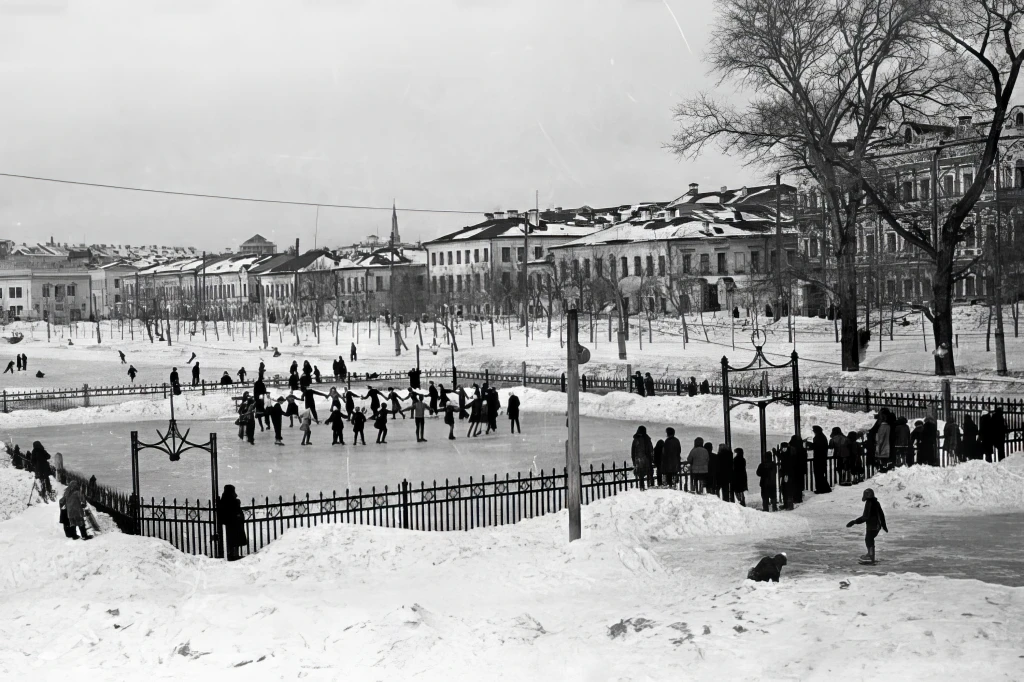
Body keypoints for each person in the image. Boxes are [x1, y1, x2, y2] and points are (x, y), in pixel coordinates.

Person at [847, 487, 888, 564]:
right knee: (869, 539)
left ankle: (871, 556)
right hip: (876, 525)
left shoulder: (869, 503)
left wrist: (854, 521)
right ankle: (870, 554)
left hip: (872, 526)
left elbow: (866, 517)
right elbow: (881, 515)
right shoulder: (876, 502)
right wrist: (883, 525)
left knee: (869, 539)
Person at [217, 484, 246, 561]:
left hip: (229, 525)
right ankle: (234, 554)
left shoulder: (224, 500)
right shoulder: (234, 501)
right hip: (235, 525)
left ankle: (230, 554)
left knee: (230, 541)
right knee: (235, 541)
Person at [631, 426, 654, 490]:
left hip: (639, 460)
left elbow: (633, 452)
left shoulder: (636, 440)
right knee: (649, 473)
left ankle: (642, 487)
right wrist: (651, 458)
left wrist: (634, 461)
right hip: (647, 459)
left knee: (641, 475)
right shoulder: (647, 439)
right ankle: (651, 486)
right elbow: (651, 450)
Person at [810, 425, 831, 494]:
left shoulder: (818, 437)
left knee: (819, 474)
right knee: (820, 474)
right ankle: (824, 488)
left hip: (819, 458)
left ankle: (821, 489)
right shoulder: (822, 437)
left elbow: (817, 447)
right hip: (822, 458)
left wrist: (810, 444)